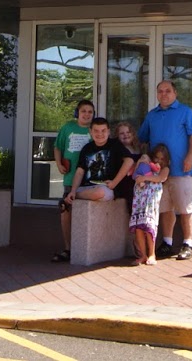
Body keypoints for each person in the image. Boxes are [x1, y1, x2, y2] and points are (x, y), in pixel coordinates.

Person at [137, 78, 192, 260]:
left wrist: (190, 156)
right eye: (160, 91)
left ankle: (187, 243)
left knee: (185, 207)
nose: (164, 94)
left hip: (181, 169)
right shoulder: (152, 115)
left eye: (168, 91)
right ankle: (167, 242)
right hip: (157, 173)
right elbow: (142, 138)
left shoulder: (186, 112)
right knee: (165, 208)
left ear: (175, 93)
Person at [51, 99, 95, 262]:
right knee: (66, 210)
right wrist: (58, 163)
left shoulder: (94, 130)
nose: (86, 114)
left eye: (90, 112)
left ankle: (85, 246)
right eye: (83, 111)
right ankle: (68, 247)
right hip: (70, 177)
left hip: (89, 179)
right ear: (77, 112)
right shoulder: (68, 128)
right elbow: (58, 147)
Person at [63, 117, 134, 205]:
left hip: (106, 187)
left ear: (108, 131)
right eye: (96, 131)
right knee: (70, 198)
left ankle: (75, 196)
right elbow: (80, 171)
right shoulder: (86, 148)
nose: (100, 134)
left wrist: (114, 182)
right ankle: (73, 195)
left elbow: (129, 161)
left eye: (103, 130)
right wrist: (73, 190)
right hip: (86, 187)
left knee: (100, 192)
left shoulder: (115, 144)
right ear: (90, 131)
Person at [129, 143, 171, 265]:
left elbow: (160, 178)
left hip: (151, 202)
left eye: (162, 158)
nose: (158, 160)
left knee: (149, 226)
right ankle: (143, 255)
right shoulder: (147, 165)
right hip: (139, 200)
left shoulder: (164, 169)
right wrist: (141, 161)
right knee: (138, 227)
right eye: (156, 157)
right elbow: (135, 173)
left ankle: (152, 254)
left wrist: (145, 178)